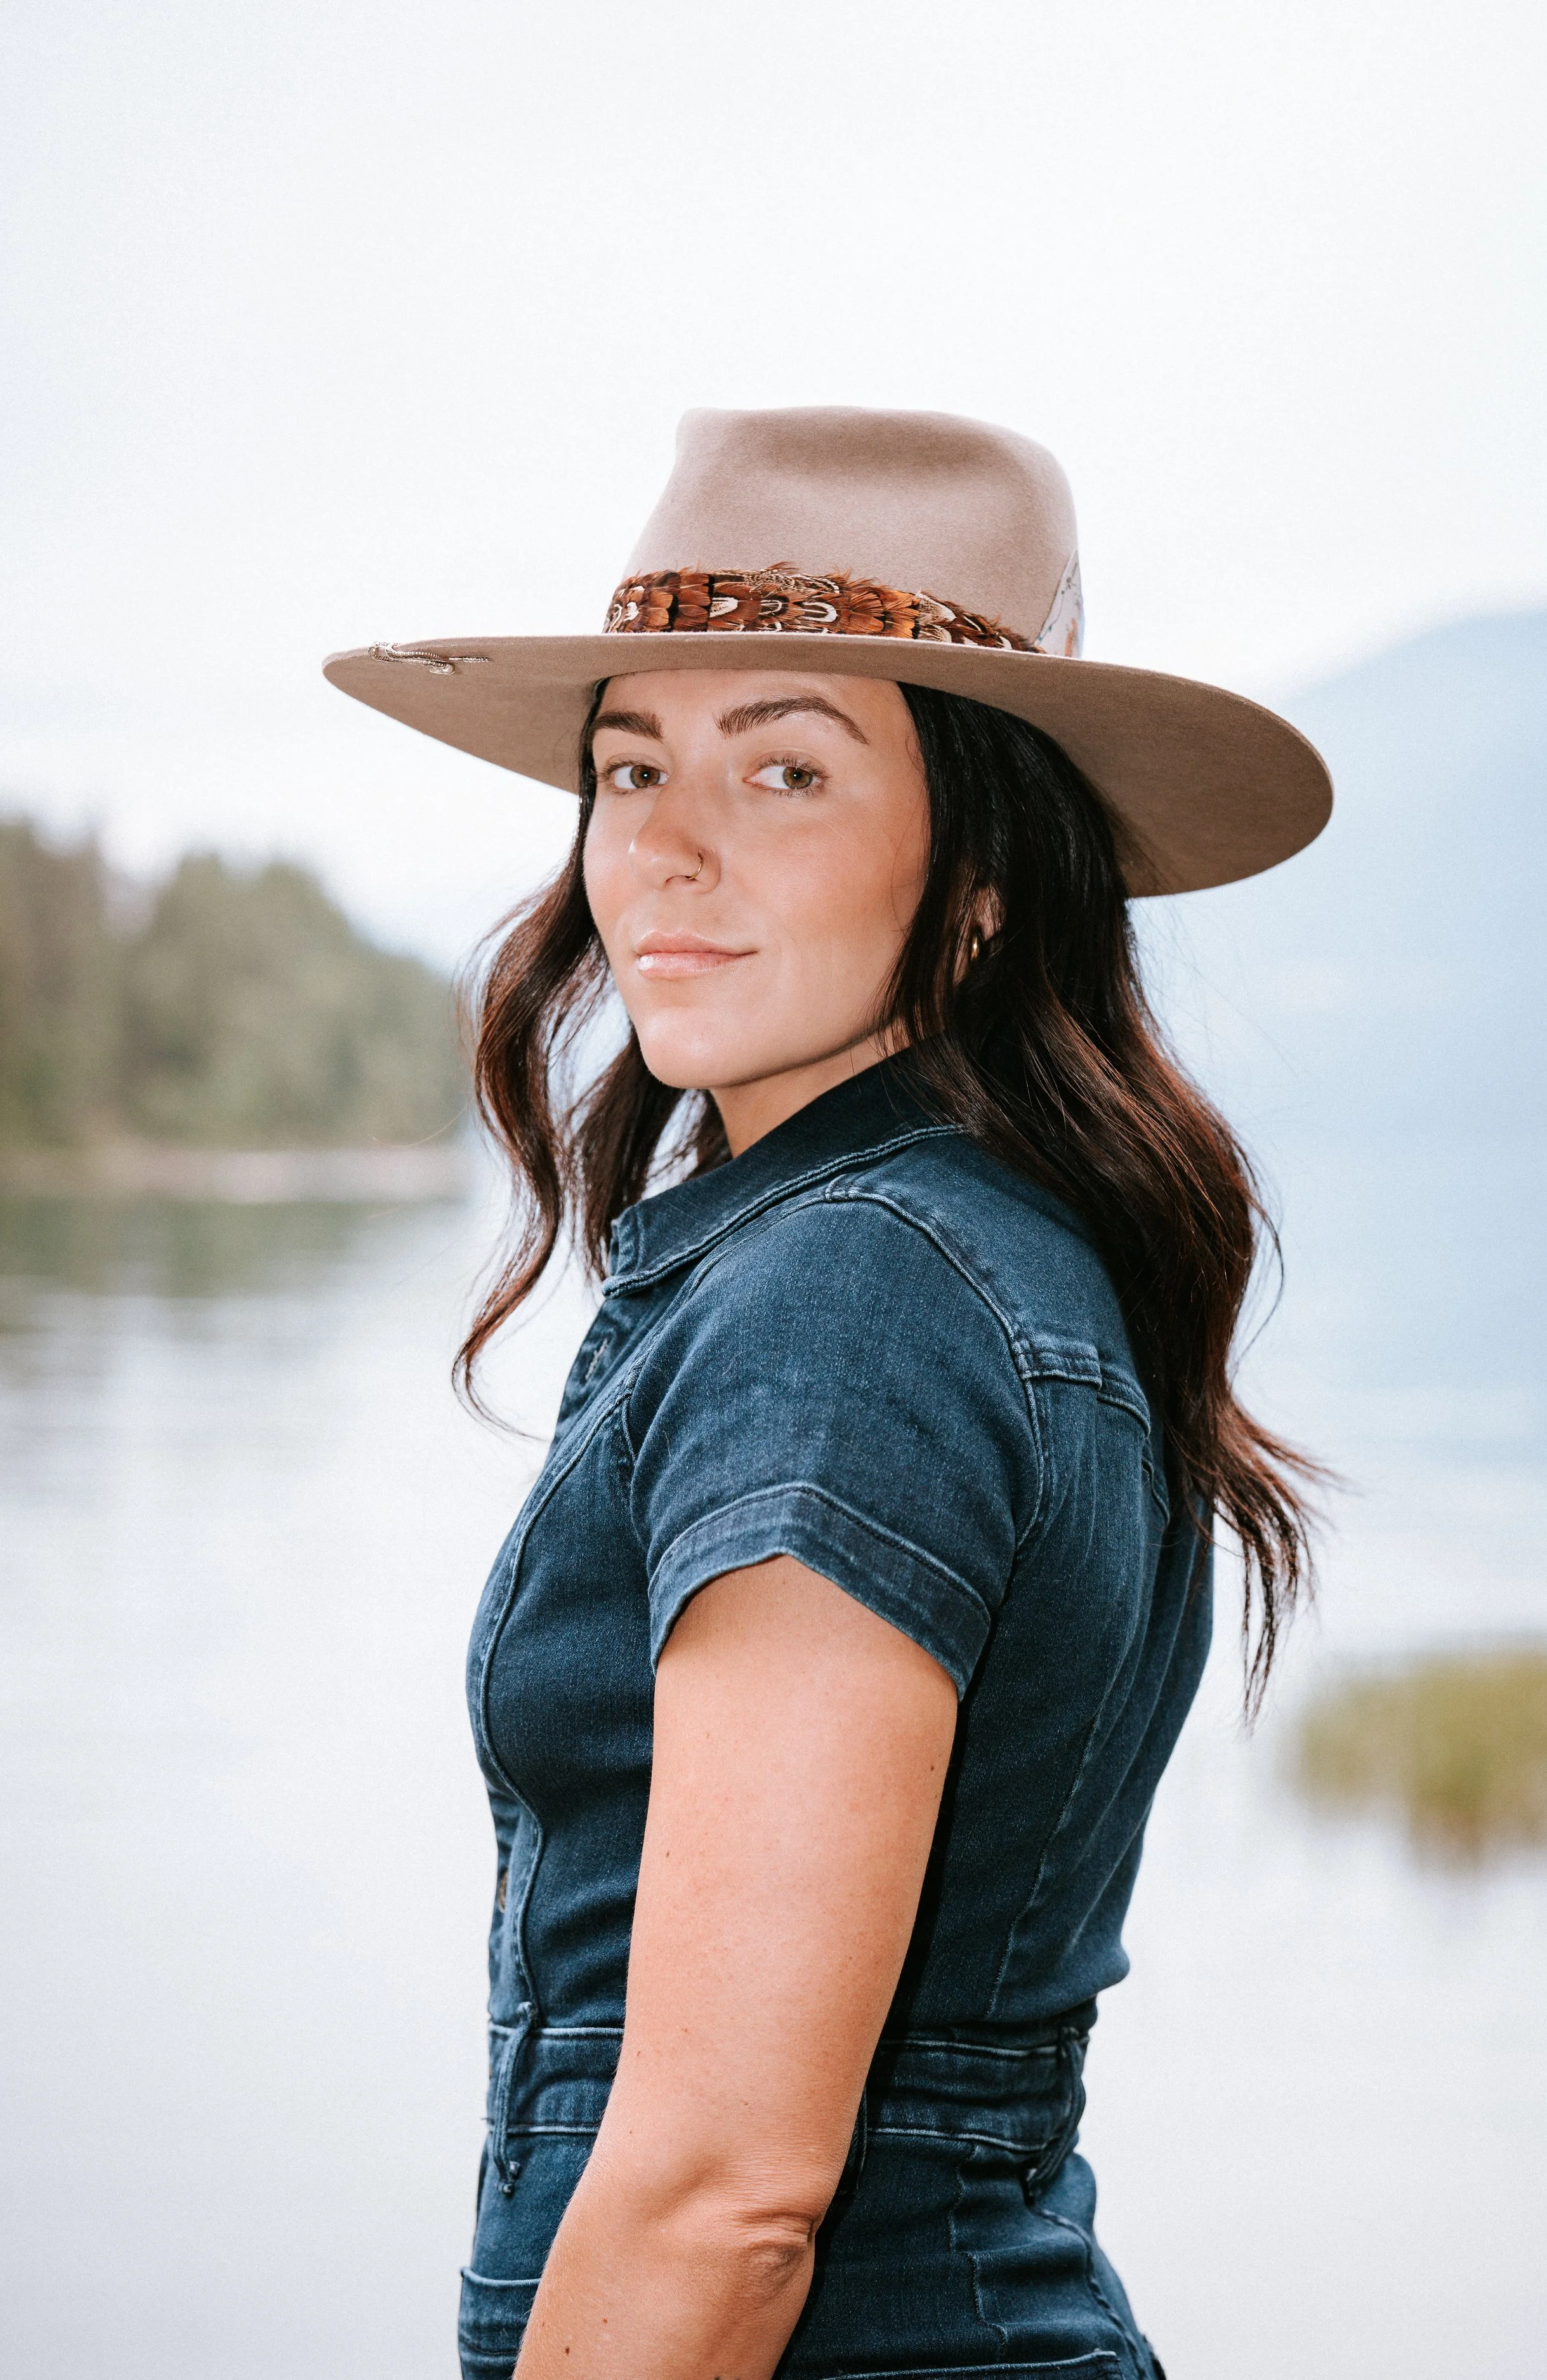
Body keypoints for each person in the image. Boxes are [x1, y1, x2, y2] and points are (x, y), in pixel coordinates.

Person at [326, 407, 1331, 2380]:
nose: (669, 841)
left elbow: (720, 2196)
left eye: (785, 766)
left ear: (979, 876)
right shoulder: (983, 1245)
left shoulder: (855, 1293)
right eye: (632, 765)